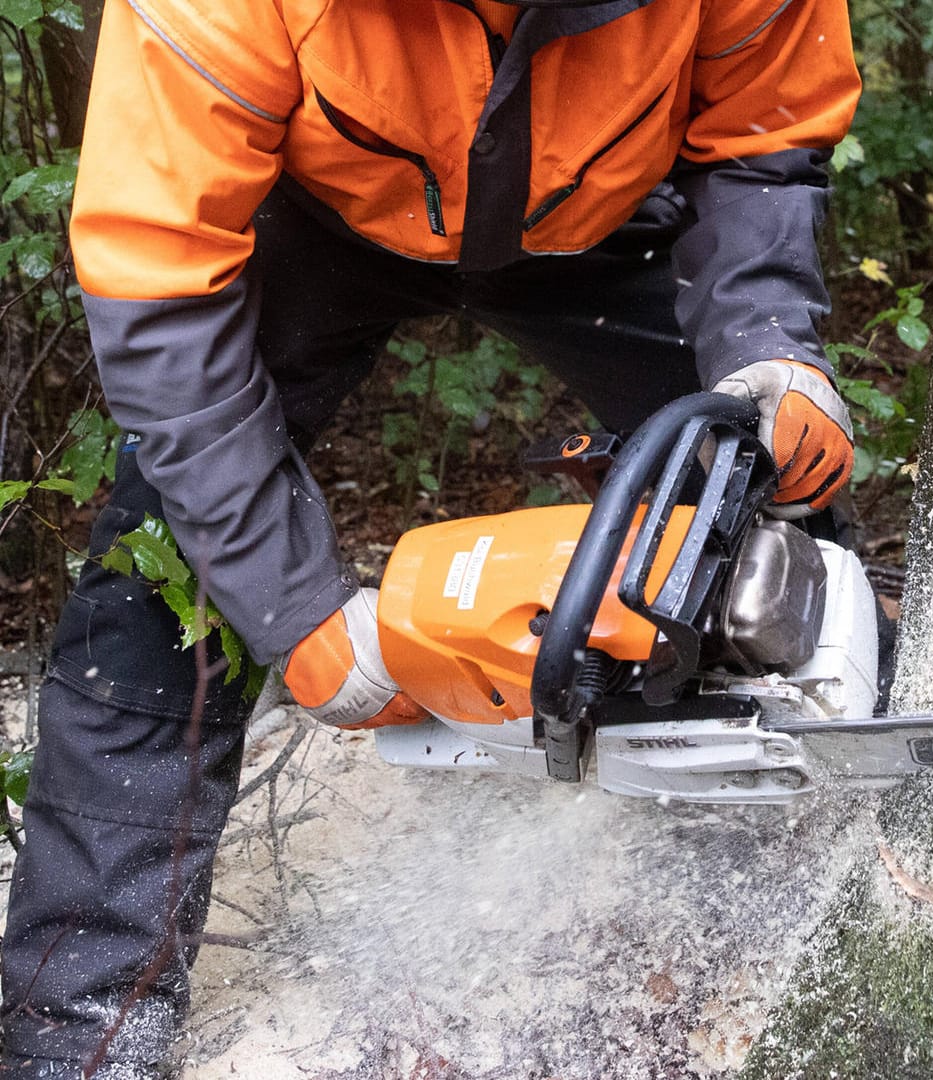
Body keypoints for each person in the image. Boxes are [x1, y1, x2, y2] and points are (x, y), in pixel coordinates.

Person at [0, 0, 860, 1074]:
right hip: (316, 212)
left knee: (771, 496)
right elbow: (159, 285)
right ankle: (76, 1030)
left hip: (613, 215)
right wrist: (295, 601)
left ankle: (793, 898)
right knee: (154, 584)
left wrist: (765, 334)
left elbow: (765, 133)